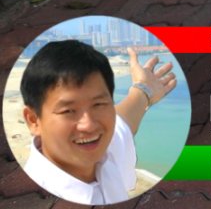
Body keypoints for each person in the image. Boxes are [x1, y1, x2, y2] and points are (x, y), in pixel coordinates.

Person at [20, 40, 177, 204]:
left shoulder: (105, 154)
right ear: (33, 120)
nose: (88, 125)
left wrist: (144, 89)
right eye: (68, 111)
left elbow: (123, 122)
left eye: (98, 104)